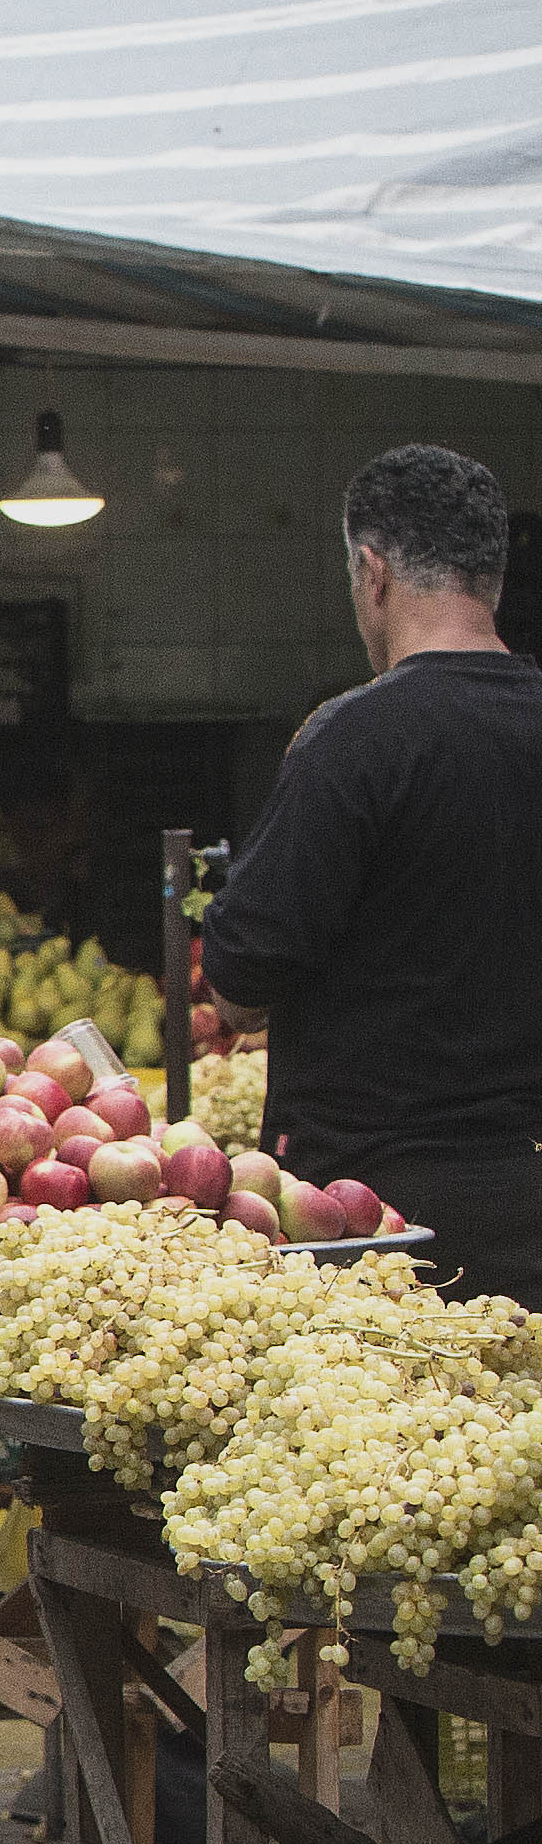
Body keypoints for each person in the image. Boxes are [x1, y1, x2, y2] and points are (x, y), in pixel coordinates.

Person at [210, 443, 542, 1303]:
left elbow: (241, 985)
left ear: (372, 570)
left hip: (385, 1223)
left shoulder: (353, 741)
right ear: (492, 577)